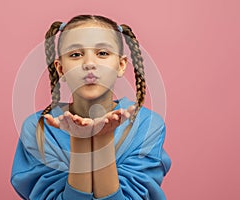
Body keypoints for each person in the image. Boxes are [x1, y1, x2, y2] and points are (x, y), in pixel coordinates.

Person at [11, 14, 171, 200]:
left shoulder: (147, 125)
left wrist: (103, 140)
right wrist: (81, 141)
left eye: (102, 53)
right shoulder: (38, 128)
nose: (89, 64)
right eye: (75, 55)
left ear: (120, 65)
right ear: (61, 69)